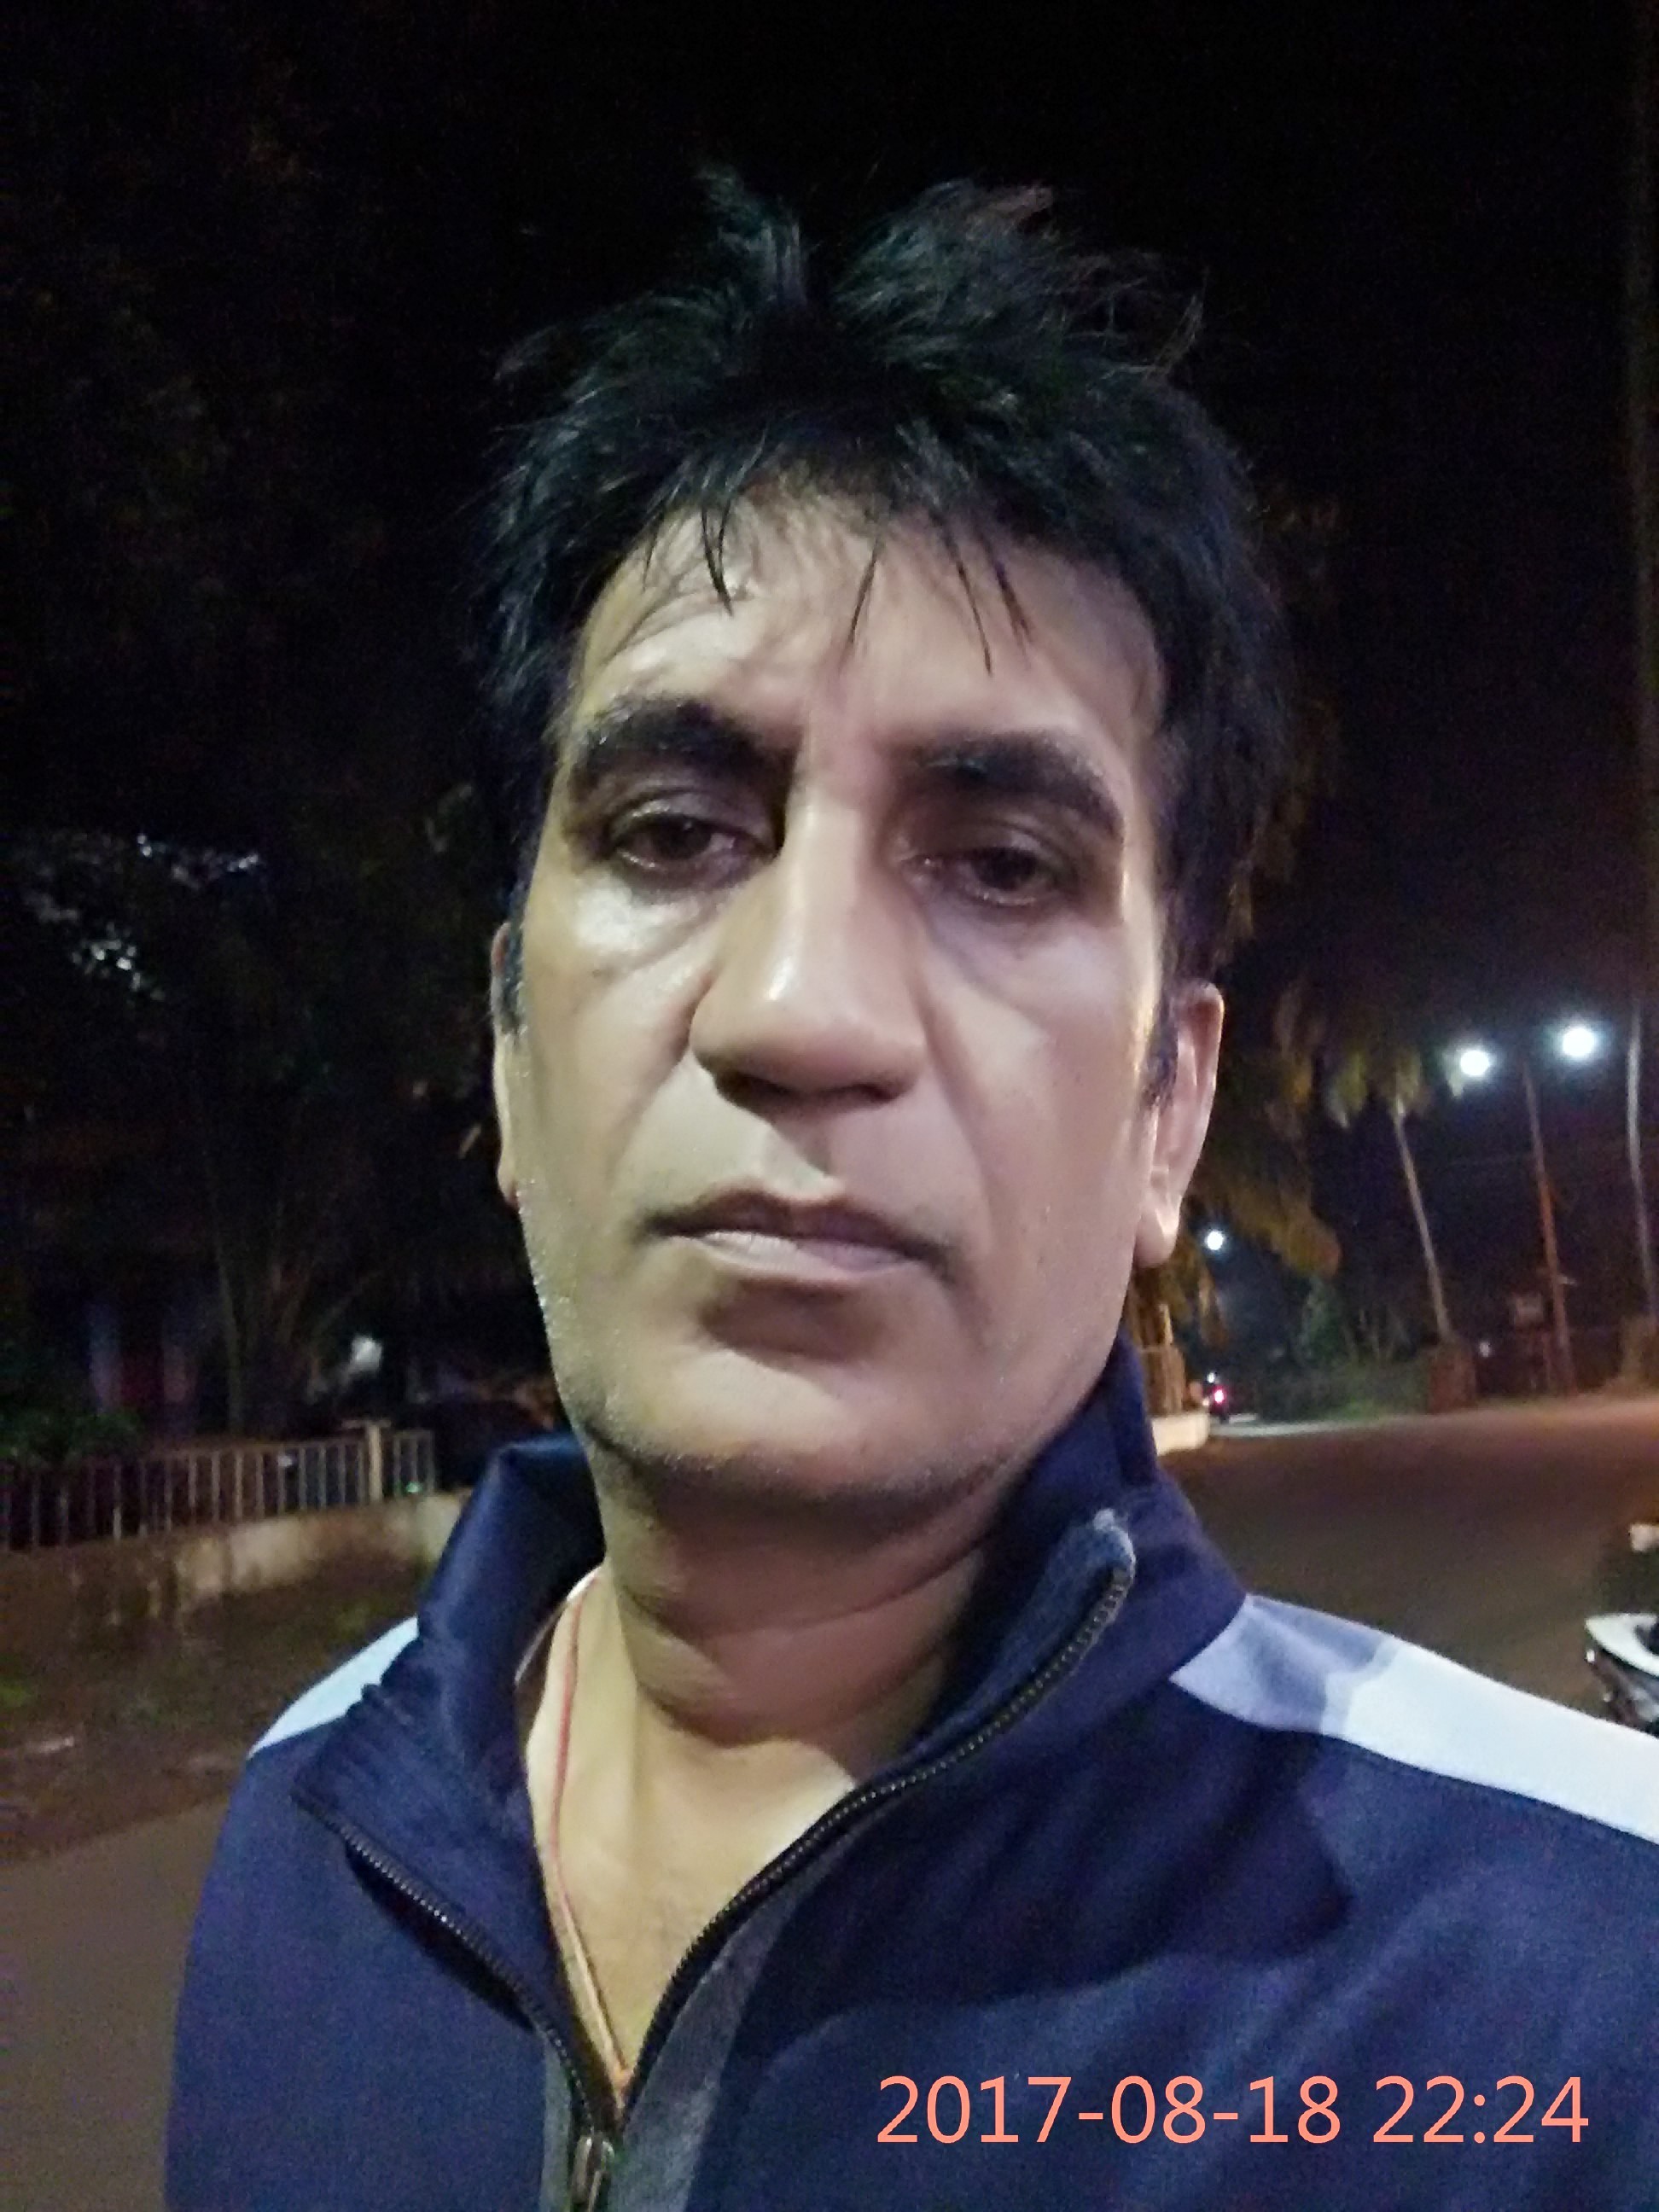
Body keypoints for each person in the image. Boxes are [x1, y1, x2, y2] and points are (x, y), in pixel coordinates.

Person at [168, 175, 1658, 2212]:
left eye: (1004, 866)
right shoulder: (304, 1840)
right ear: (510, 1049)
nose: (801, 1011)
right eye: (674, 830)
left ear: (1167, 1108)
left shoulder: (1575, 2002)